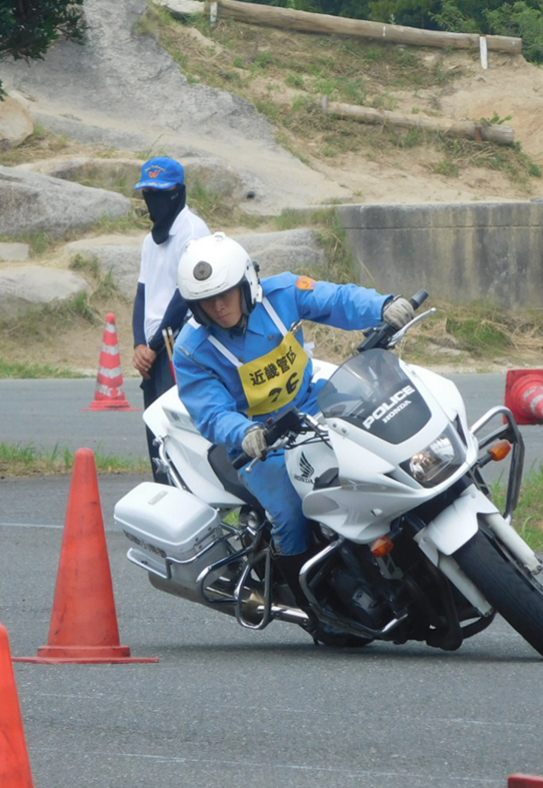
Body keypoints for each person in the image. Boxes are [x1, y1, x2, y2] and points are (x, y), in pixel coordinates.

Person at [172, 233, 416, 632]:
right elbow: (212, 412)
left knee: (388, 446)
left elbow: (336, 300)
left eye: (226, 294)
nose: (218, 307)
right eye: (206, 301)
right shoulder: (191, 349)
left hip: (315, 401)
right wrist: (245, 432)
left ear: (246, 284)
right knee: (289, 512)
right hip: (261, 440)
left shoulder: (282, 292)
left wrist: (383, 306)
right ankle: (315, 611)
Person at [132, 157, 210, 483]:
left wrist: (152, 345)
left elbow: (187, 294)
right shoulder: (151, 241)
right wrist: (138, 344)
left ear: (178, 193)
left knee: (179, 432)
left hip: (178, 347)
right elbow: (142, 293)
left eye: (161, 193)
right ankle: (165, 498)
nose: (154, 201)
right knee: (156, 430)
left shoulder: (192, 231)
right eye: (148, 193)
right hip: (152, 353)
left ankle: (191, 501)